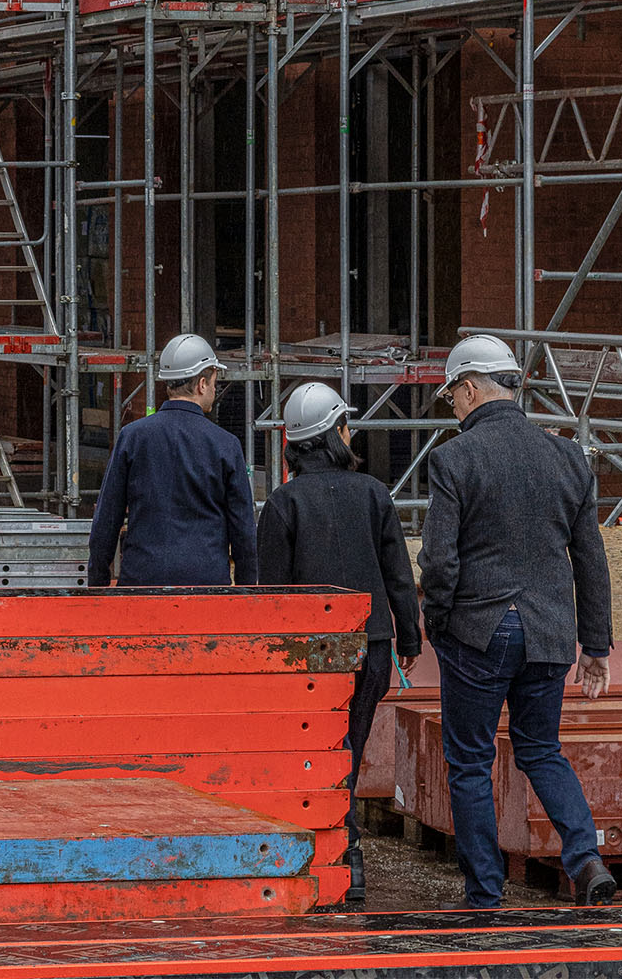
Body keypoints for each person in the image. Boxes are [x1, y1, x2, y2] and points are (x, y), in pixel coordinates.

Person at [419, 333, 618, 908]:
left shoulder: (454, 458)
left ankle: (485, 892)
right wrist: (595, 645)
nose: (452, 408)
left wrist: (440, 622)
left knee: (470, 762)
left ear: (471, 387)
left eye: (452, 396)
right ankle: (584, 858)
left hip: (480, 631)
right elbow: (590, 559)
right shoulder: (566, 457)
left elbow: (440, 558)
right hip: (550, 633)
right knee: (541, 750)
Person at [256, 381, 419, 904]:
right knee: (350, 745)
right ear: (335, 435)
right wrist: (408, 637)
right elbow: (398, 574)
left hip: (312, 654)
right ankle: (347, 855)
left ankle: (335, 851)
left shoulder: (282, 504)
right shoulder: (372, 493)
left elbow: (271, 597)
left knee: (320, 751)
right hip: (370, 645)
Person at [87, 333, 257, 587]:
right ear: (201, 384)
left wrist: (97, 583)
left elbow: (106, 518)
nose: (214, 388)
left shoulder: (132, 437)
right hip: (206, 585)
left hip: (142, 580)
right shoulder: (225, 444)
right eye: (213, 382)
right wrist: (246, 588)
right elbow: (243, 529)